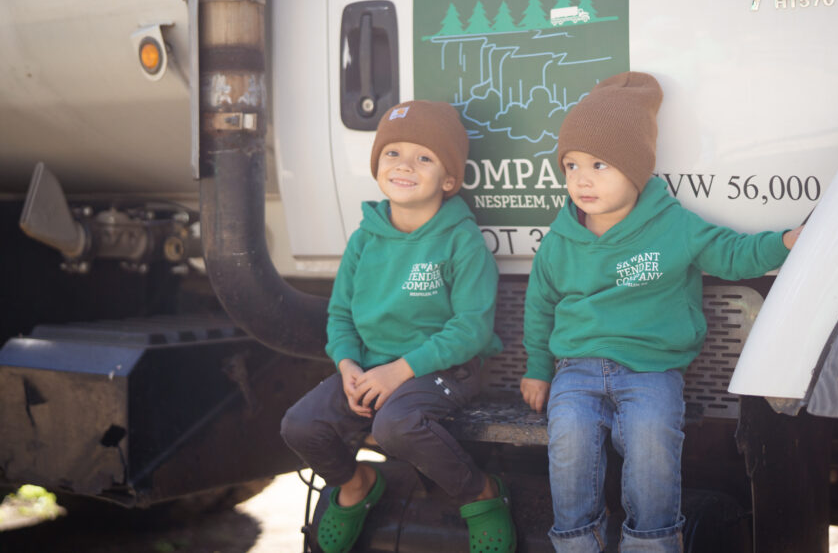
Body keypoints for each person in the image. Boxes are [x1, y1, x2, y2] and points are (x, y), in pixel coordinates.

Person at [519, 72, 801, 552]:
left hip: (651, 368)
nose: (581, 179)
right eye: (570, 166)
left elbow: (731, 253)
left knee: (651, 441)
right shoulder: (561, 240)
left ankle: (651, 542)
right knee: (568, 439)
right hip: (576, 369)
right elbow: (540, 304)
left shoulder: (672, 226)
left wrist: (786, 243)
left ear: (638, 167)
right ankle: (576, 542)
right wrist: (537, 369)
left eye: (599, 164)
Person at [281, 101, 515, 553]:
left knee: (396, 425)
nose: (405, 165)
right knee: (301, 424)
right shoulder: (365, 238)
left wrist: (400, 371)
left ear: (449, 180)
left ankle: (481, 493)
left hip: (445, 370)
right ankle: (356, 486)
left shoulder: (460, 240)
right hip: (370, 368)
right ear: (376, 167)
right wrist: (347, 364)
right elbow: (341, 315)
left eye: (424, 157)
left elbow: (472, 331)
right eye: (393, 154)